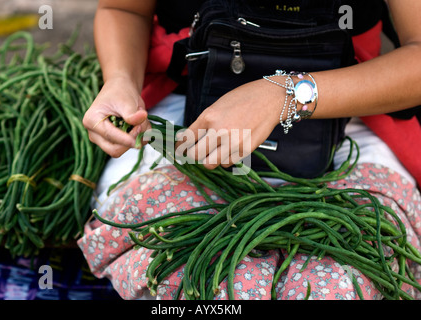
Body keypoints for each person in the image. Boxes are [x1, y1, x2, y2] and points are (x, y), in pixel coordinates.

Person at [78, 0, 421, 300]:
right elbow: (123, 8)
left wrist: (284, 95)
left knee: (350, 275)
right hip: (188, 109)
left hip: (344, 106)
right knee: (187, 266)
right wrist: (121, 79)